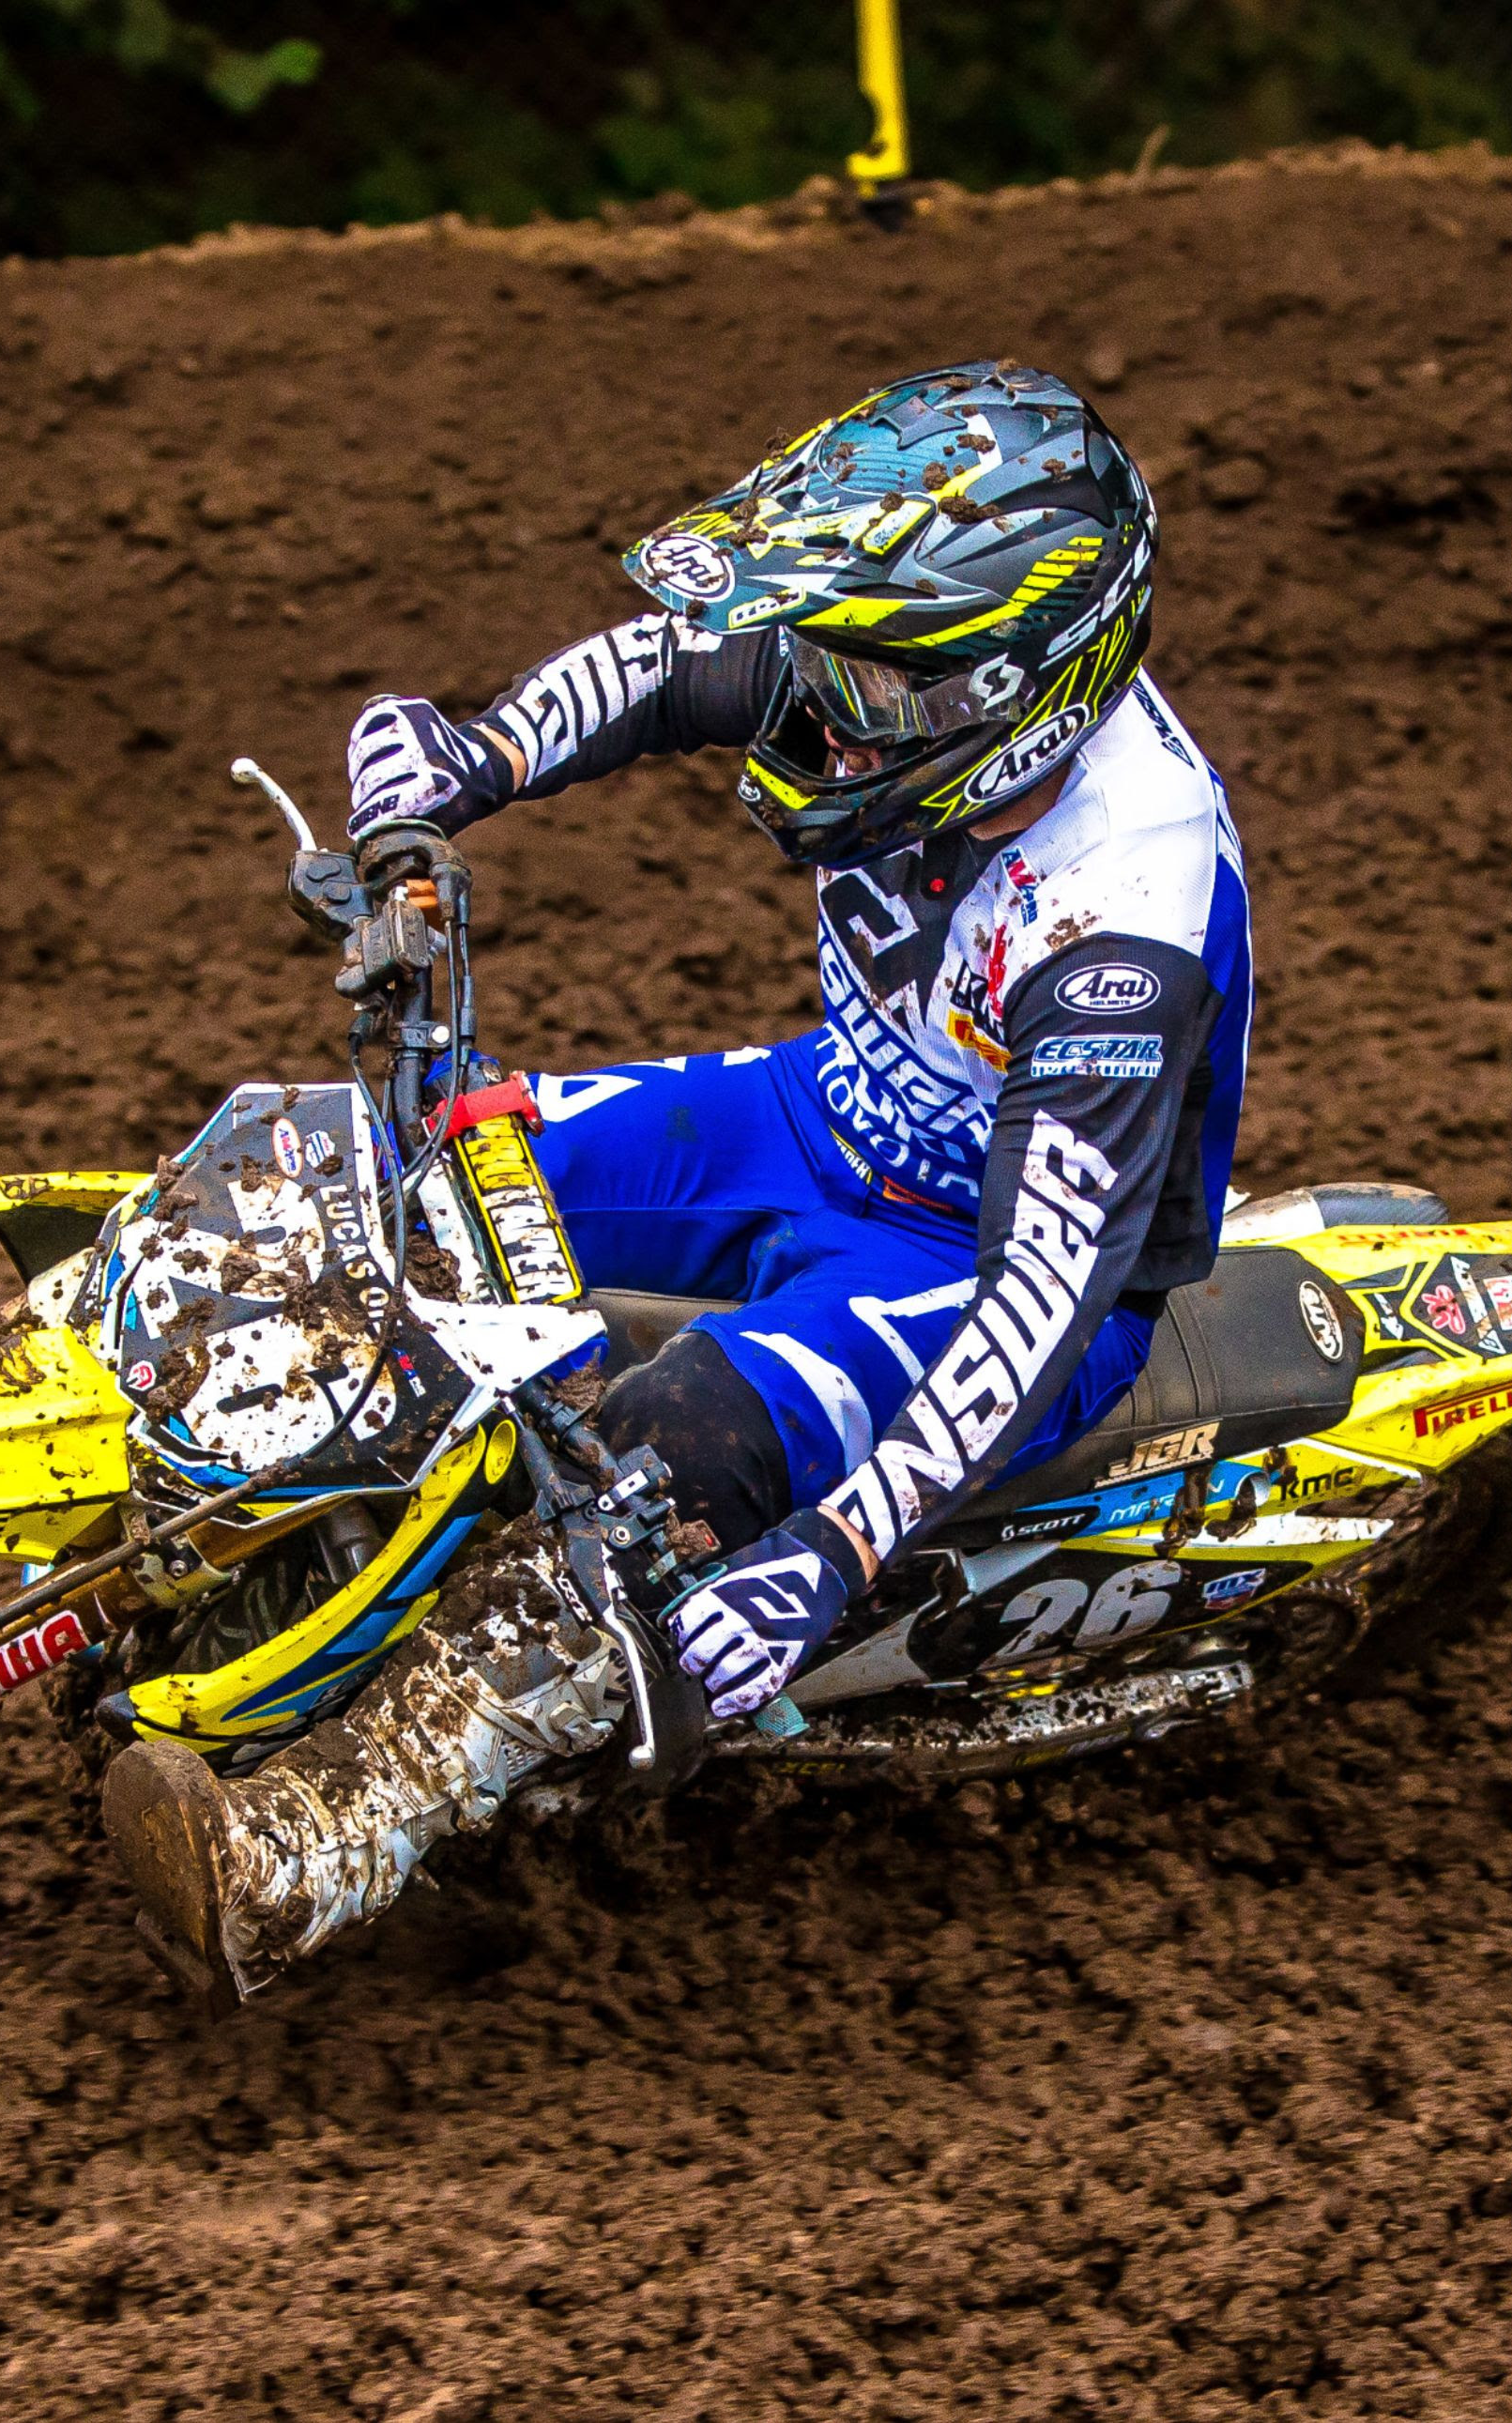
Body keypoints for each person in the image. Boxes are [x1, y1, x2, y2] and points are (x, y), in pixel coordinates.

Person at [103, 360, 1253, 2001]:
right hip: (819, 1113)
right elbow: (676, 657)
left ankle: (311, 1845)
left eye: (872, 682)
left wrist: (832, 1550)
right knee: (383, 1176)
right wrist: (475, 758)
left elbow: (1044, 1298)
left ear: (1016, 696)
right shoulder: (913, 678)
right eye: (835, 660)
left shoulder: (1120, 922)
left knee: (655, 1467)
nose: (826, 704)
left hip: (982, 1263)